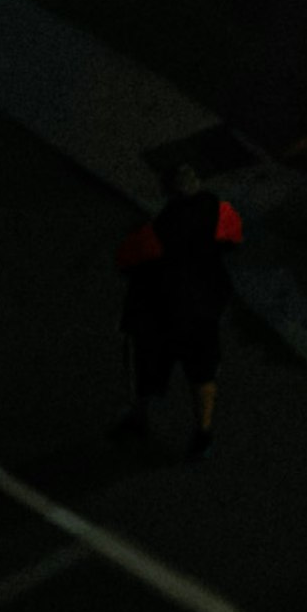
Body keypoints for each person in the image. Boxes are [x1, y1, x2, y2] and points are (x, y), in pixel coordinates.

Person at [115, 144, 244, 455]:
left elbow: (126, 260)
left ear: (168, 192)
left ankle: (139, 417)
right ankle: (203, 434)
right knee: (202, 374)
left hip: (160, 313)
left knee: (146, 367)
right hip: (203, 312)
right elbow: (233, 238)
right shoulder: (220, 211)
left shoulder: (155, 232)